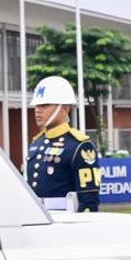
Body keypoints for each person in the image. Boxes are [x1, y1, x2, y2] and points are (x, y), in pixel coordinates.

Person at [24, 76, 101, 211]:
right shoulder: (37, 142)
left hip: (64, 220)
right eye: (37, 105)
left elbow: (89, 199)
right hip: (37, 219)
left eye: (45, 105)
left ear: (65, 108)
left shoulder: (79, 145)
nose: (38, 110)